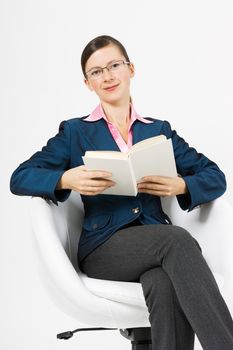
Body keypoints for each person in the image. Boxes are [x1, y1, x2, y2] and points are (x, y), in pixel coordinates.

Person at [10, 35, 233, 350]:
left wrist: (181, 185)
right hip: (104, 249)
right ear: (88, 84)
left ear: (131, 69)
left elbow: (216, 177)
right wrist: (66, 179)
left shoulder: (158, 131)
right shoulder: (76, 132)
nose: (107, 76)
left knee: (162, 282)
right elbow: (20, 177)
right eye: (97, 71)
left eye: (114, 65)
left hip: (155, 246)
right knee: (177, 240)